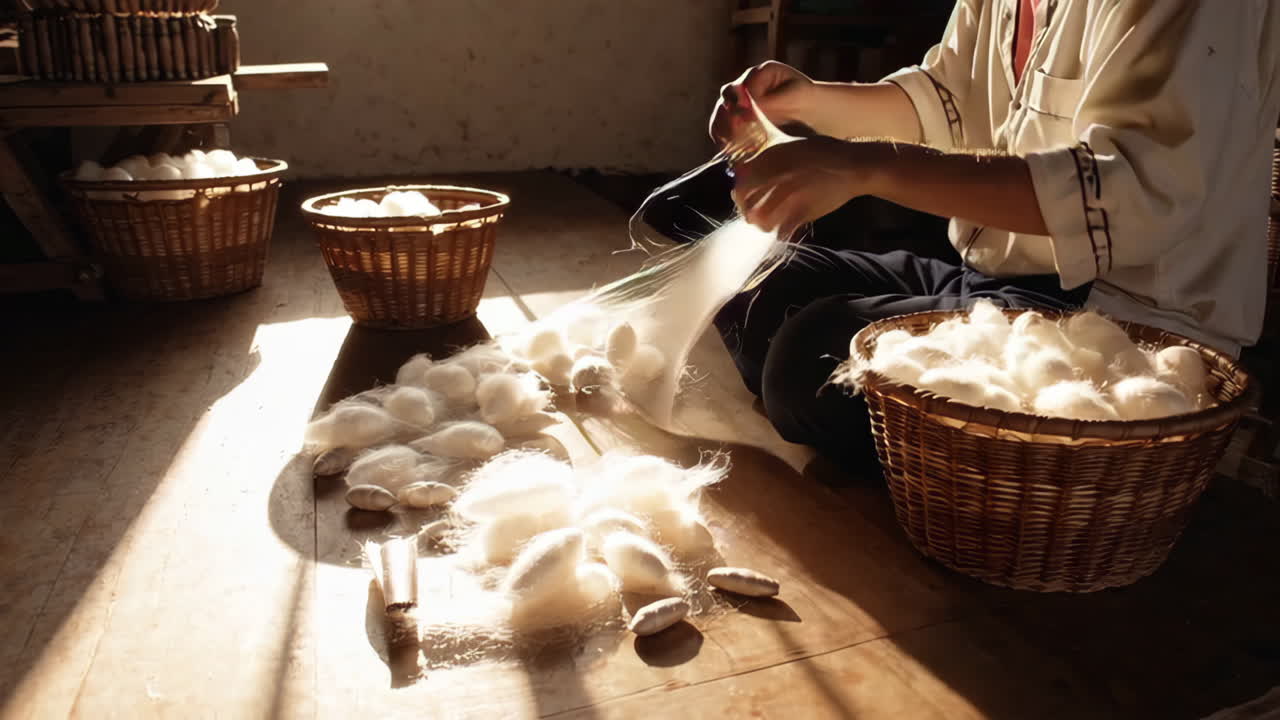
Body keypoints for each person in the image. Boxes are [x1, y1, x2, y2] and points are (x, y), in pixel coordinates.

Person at [641, 1, 1280, 468]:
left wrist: (862, 167)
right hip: (993, 287)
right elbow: (950, 96)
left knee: (804, 360)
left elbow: (1137, 192)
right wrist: (807, 103)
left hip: (1119, 322)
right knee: (761, 287)